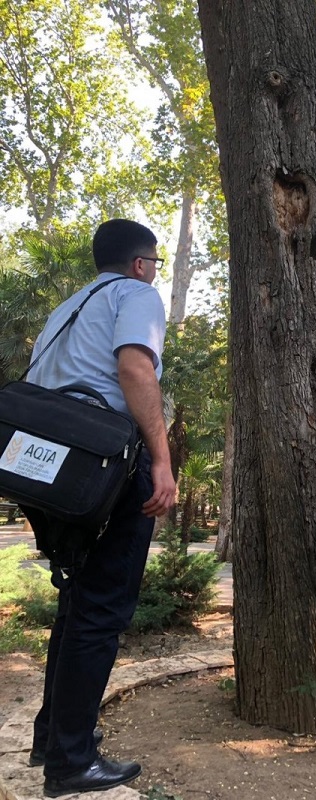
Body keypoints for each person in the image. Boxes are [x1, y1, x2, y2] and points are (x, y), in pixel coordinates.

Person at [24, 219, 177, 797]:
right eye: (156, 264)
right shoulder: (136, 294)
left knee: (77, 606)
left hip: (49, 468)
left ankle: (50, 739)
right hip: (104, 463)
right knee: (102, 610)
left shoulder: (69, 306)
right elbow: (135, 368)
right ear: (140, 264)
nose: (155, 273)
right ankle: (71, 761)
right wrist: (161, 462)